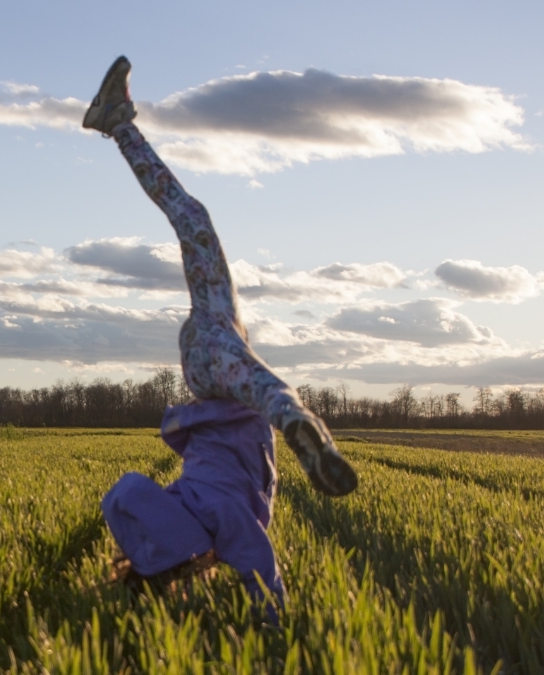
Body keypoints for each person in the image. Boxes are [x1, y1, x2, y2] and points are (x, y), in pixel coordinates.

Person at [88, 56, 359, 620]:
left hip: (220, 375)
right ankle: (117, 124)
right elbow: (126, 497)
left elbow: (265, 578)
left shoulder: (224, 522)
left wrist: (275, 625)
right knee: (194, 224)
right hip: (210, 381)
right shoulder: (185, 507)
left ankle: (295, 421)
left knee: (197, 229)